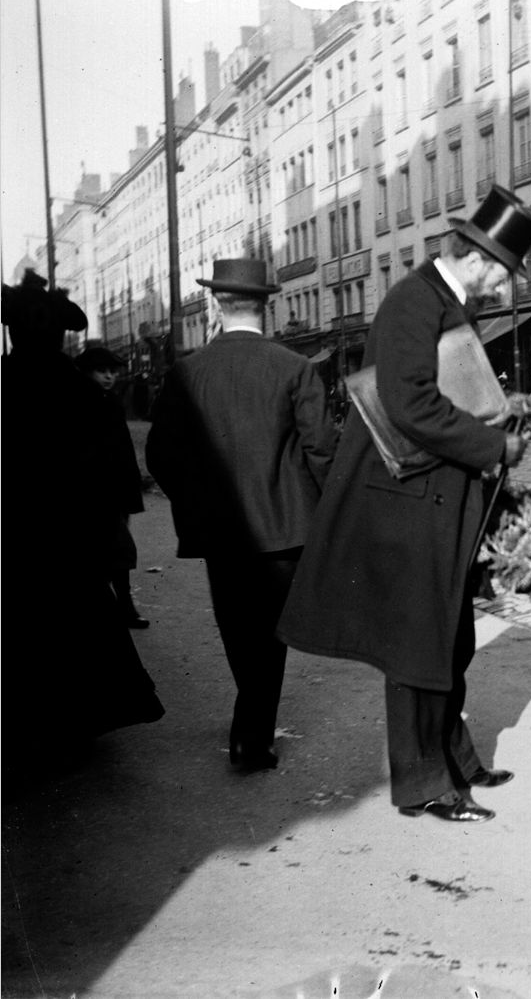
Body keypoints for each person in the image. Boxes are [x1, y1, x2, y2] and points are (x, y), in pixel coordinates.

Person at [277, 186, 531, 824]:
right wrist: (495, 445)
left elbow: (448, 388)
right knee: (418, 646)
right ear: (481, 262)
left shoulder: (438, 299)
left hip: (434, 495)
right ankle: (425, 785)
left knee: (448, 640)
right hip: (410, 502)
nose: (504, 291)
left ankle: (456, 758)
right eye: (505, 277)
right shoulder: (413, 302)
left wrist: (502, 408)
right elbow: (411, 406)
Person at [146, 259, 337, 773]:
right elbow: (322, 450)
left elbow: (161, 455)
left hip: (221, 531)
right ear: (266, 304)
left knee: (237, 628)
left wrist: (196, 502)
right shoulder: (295, 368)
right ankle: (251, 736)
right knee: (271, 634)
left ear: (217, 304)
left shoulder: (186, 373)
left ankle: (249, 730)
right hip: (285, 527)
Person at [2, 273, 163, 773]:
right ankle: (74, 724)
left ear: (11, 332)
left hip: (11, 540)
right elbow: (115, 474)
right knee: (75, 629)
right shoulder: (85, 394)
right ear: (61, 336)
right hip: (72, 542)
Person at [76, 346, 149, 629]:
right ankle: (124, 607)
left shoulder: (111, 399)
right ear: (87, 372)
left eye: (112, 372)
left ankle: (121, 606)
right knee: (117, 549)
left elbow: (124, 448)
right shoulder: (83, 401)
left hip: (115, 487)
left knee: (116, 548)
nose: (108, 377)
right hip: (96, 489)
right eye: (101, 372)